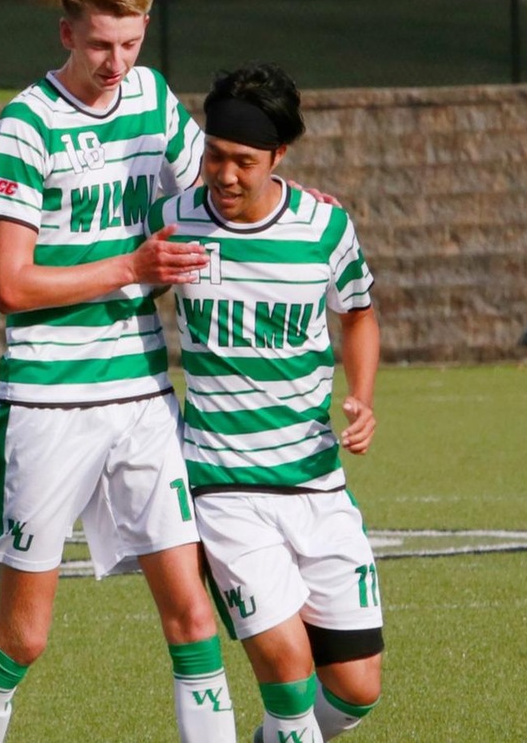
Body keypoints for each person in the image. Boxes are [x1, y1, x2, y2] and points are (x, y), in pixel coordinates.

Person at [0, 0, 237, 741]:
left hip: (145, 396)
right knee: (26, 636)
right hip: (49, 400)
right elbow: (13, 285)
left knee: (191, 616)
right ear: (67, 33)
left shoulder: (151, 97)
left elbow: (205, 195)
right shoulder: (27, 122)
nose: (116, 63)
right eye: (98, 46)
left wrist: (276, 195)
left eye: (130, 43)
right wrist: (131, 266)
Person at [147, 62, 383, 743]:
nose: (224, 175)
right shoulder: (175, 221)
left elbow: (360, 312)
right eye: (214, 156)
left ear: (279, 156)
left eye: (243, 162)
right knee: (288, 674)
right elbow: (126, 285)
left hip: (317, 484)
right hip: (224, 490)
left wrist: (361, 395)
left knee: (356, 690)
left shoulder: (324, 227)